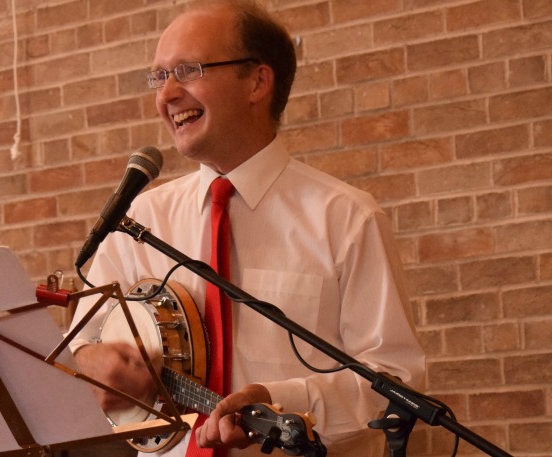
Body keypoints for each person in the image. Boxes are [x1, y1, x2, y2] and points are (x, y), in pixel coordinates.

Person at [68, 1, 425, 456]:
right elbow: (77, 353)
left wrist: (284, 404)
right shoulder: (139, 220)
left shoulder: (347, 219)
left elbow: (396, 383)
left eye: (188, 70)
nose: (166, 95)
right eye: (159, 76)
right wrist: (91, 364)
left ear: (257, 81)